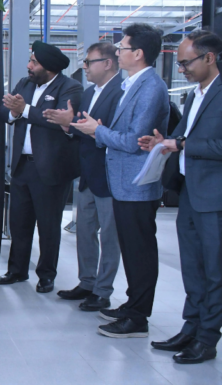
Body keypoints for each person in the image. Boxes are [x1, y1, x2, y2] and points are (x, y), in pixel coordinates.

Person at [71, 23, 169, 338]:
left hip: (137, 183)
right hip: (124, 182)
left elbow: (132, 140)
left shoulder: (150, 87)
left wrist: (96, 130)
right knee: (131, 249)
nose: (119, 52)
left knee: (140, 252)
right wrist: (99, 128)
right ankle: (132, 305)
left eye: (123, 47)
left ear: (137, 54)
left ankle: (138, 316)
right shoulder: (133, 84)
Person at [139, 29, 222, 363]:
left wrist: (183, 144)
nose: (182, 68)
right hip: (189, 192)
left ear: (210, 58)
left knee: (214, 270)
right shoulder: (195, 94)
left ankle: (207, 337)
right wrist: (164, 140)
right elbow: (184, 135)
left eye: (187, 62)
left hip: (214, 197)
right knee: (192, 267)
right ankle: (191, 328)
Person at [0, 41, 82, 293]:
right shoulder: (25, 84)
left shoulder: (71, 88)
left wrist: (24, 110)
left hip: (51, 169)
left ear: (49, 66)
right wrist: (13, 113)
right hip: (23, 167)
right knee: (19, 223)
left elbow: (57, 120)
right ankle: (16, 270)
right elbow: (4, 112)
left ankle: (46, 275)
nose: (29, 66)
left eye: (33, 62)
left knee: (48, 226)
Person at [44, 42, 124, 312]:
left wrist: (89, 128)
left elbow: (114, 132)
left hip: (110, 175)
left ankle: (103, 291)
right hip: (88, 173)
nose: (85, 67)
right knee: (85, 231)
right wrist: (68, 123)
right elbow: (82, 127)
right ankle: (87, 282)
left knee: (109, 236)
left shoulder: (121, 92)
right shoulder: (90, 93)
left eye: (89, 62)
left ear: (109, 63)